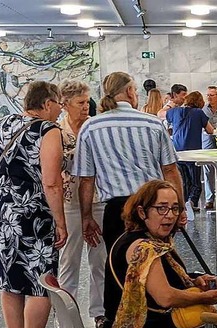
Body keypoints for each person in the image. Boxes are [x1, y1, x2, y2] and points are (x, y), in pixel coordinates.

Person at [0, 81, 67, 328]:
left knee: (11, 280)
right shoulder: (48, 130)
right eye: (58, 103)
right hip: (34, 212)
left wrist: (8, 191)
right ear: (46, 103)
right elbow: (52, 181)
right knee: (40, 281)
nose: (60, 109)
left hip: (3, 209)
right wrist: (60, 221)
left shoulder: (3, 123)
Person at [104, 180, 217, 328]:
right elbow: (165, 297)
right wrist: (204, 297)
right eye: (161, 208)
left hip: (134, 327)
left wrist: (192, 281)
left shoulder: (139, 237)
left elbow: (157, 282)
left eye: (175, 208)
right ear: (142, 212)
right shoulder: (144, 247)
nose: (169, 215)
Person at [73, 71, 185, 253]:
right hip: (153, 206)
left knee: (118, 268)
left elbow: (86, 180)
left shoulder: (91, 127)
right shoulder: (153, 123)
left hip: (115, 211)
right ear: (130, 91)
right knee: (156, 265)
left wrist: (86, 216)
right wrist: (178, 208)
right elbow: (170, 170)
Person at [57, 79, 108, 328]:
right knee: (69, 260)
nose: (86, 107)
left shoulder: (95, 128)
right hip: (68, 203)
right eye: (80, 103)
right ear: (65, 105)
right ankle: (68, 321)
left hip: (97, 199)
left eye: (87, 101)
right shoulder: (57, 131)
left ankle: (100, 314)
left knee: (100, 258)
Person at [165, 91, 213, 214]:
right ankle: (192, 202)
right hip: (193, 151)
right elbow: (210, 130)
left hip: (177, 151)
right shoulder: (199, 113)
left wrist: (171, 104)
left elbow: (163, 116)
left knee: (184, 180)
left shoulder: (174, 111)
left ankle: (185, 203)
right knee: (195, 181)